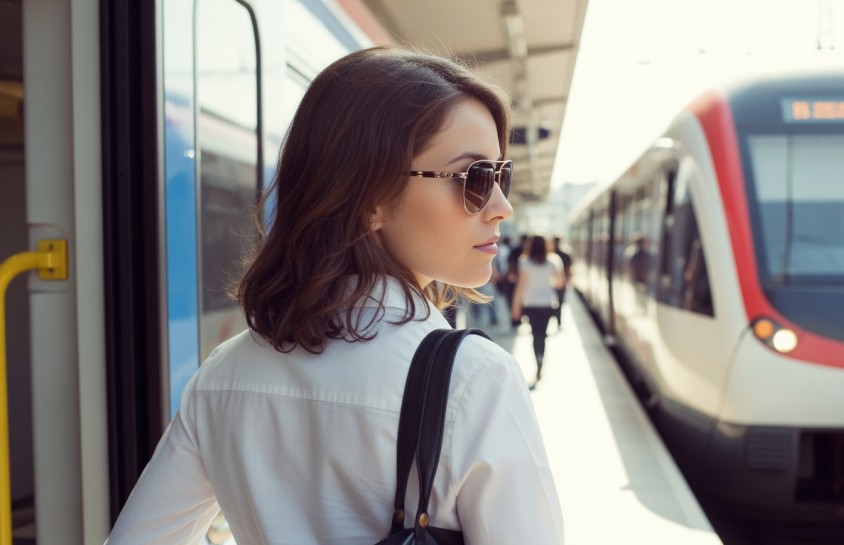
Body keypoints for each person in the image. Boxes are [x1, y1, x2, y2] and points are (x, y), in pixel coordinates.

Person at [106, 46, 563, 545]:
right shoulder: (474, 379)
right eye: (475, 178)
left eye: (501, 175)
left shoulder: (222, 376)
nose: (501, 206)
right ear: (371, 198)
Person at [511, 235, 565, 387]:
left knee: (535, 335)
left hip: (530, 303)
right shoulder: (553, 261)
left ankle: (538, 359)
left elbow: (520, 286)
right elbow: (560, 283)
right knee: (543, 334)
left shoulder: (524, 262)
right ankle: (541, 359)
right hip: (547, 303)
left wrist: (515, 307)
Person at [551, 236, 573, 327]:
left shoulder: (550, 255)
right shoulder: (565, 254)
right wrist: (568, 281)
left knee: (554, 302)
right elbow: (568, 269)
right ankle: (558, 320)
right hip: (561, 282)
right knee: (559, 302)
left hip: (551, 283)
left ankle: (554, 317)